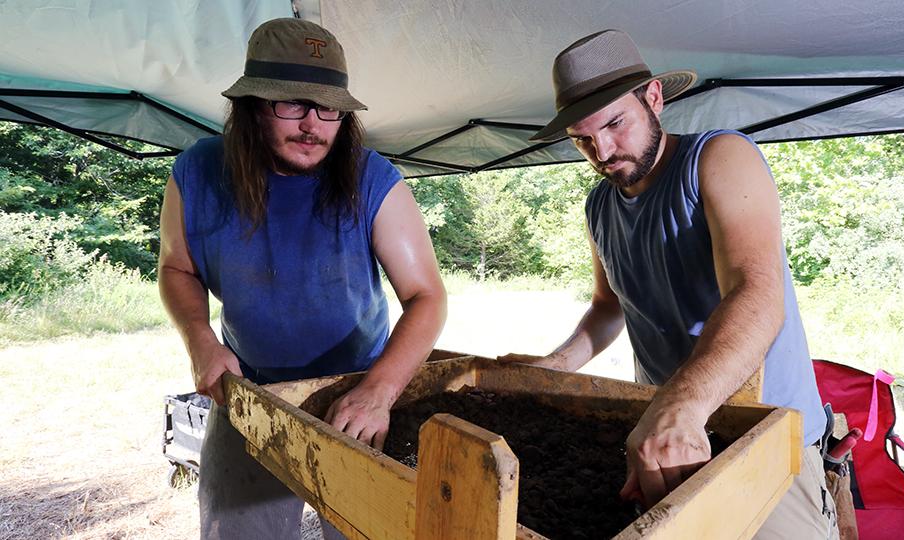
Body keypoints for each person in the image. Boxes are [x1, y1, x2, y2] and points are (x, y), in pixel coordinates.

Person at [506, 29, 837, 538]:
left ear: (654, 98)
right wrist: (549, 368)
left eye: (615, 123)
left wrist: (680, 408)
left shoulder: (718, 158)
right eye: (582, 139)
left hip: (763, 434)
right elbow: (607, 307)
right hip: (662, 438)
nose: (603, 150)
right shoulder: (599, 207)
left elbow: (757, 291)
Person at [158, 18, 446, 540]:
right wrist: (200, 340)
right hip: (247, 393)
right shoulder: (197, 173)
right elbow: (176, 268)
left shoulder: (372, 178)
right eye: (290, 104)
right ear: (251, 107)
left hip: (356, 390)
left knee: (367, 529)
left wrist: (379, 391)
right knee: (238, 530)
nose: (313, 124)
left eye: (328, 107)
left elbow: (426, 297)